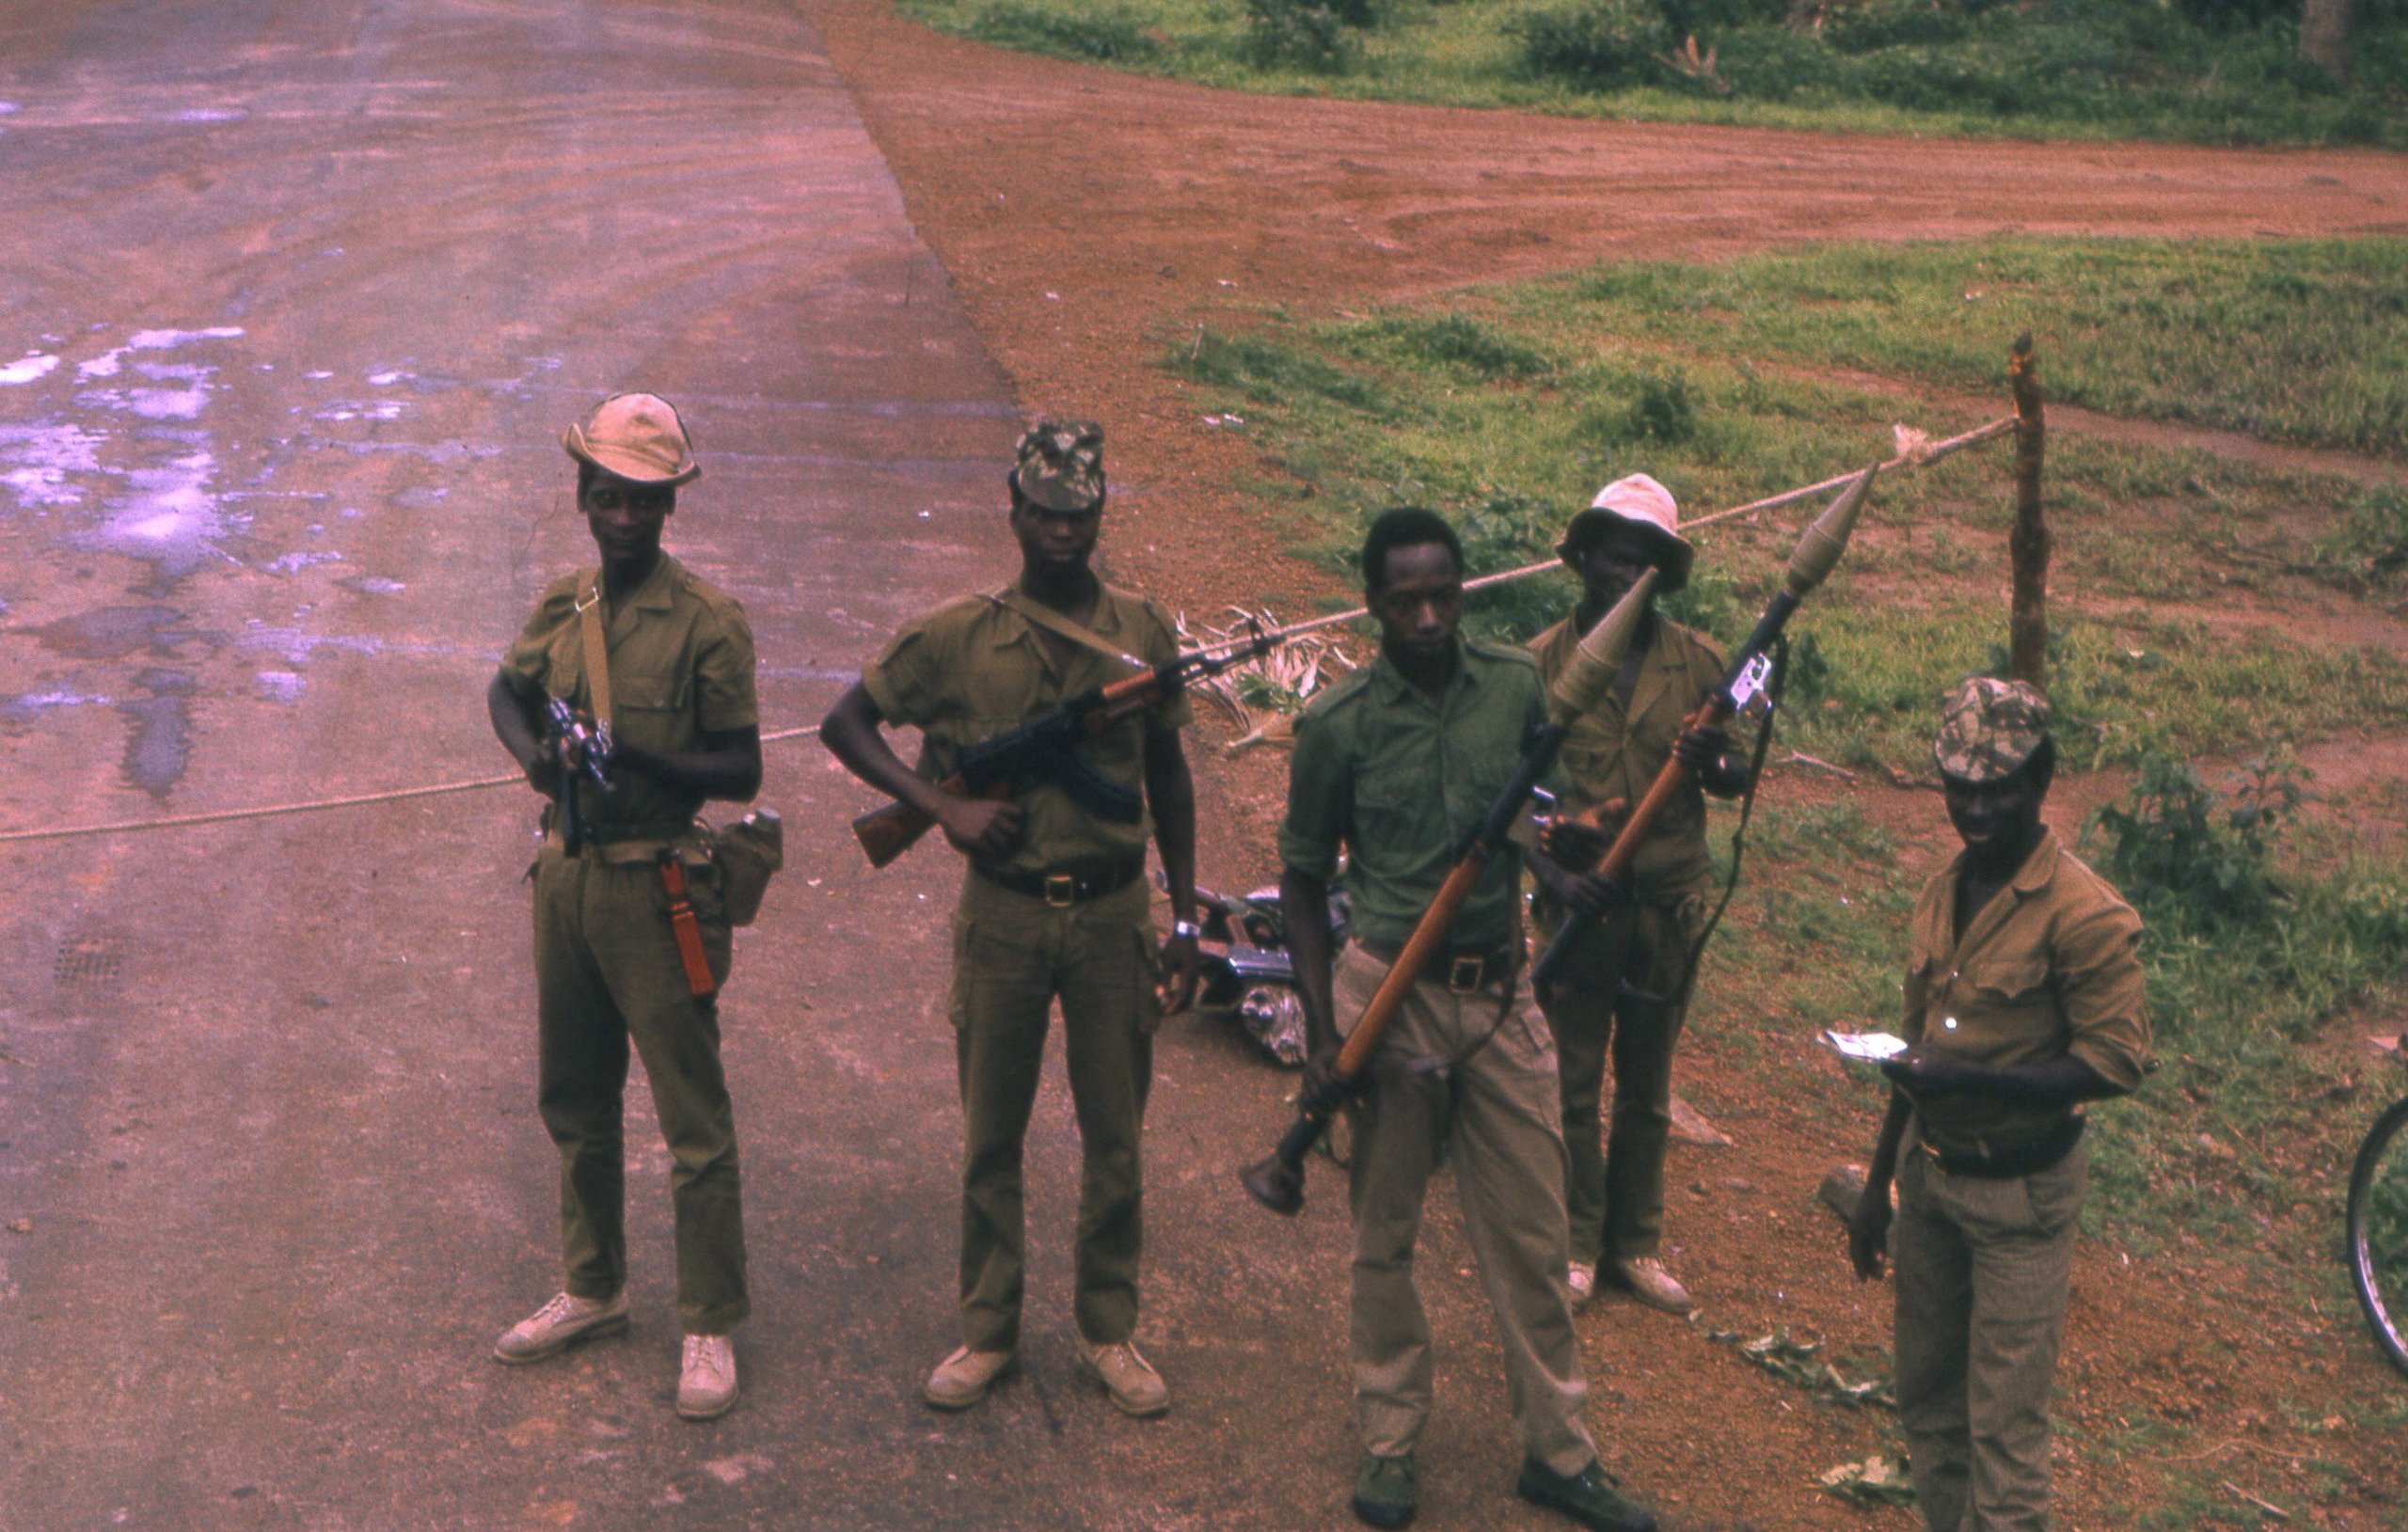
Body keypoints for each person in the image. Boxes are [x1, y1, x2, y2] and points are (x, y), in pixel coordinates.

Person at [1281, 506, 1657, 1532]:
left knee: (1532, 1238)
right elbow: (1303, 885)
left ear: (1463, 589)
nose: (1428, 616)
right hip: (1386, 999)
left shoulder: (1514, 688)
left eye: (1444, 593)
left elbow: (1543, 811)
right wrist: (1322, 1038)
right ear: (1374, 605)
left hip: (1500, 997)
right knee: (1383, 1234)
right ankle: (1391, 1443)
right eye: (1405, 600)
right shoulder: (1338, 725)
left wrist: (1562, 852)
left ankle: (1559, 1454)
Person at [819, 419, 1199, 1418]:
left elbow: (1169, 772)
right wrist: (941, 806)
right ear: (1013, 508)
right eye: (1042, 510)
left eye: (1078, 512)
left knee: (1116, 1136)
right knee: (993, 1134)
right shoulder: (954, 635)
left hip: (1114, 912)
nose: (1061, 530)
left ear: (1099, 510)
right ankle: (987, 1331)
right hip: (1005, 920)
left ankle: (1107, 1330)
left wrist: (1189, 913)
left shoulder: (1142, 631)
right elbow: (845, 722)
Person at [485, 392, 763, 1421]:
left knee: (692, 1112)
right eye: (609, 498)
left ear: (668, 509)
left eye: (645, 502)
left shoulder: (707, 622)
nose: (626, 519)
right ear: (582, 496)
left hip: (659, 890)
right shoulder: (565, 607)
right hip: (566, 879)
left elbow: (739, 768)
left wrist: (639, 756)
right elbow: (505, 693)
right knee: (574, 1096)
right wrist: (534, 763)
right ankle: (594, 1286)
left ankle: (708, 1320)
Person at [1846, 677, 2150, 1532]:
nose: (1976, 807)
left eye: (1998, 787)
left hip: (2021, 1198)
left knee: (2005, 1436)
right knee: (1929, 1402)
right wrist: (1878, 1188)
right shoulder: (1945, 887)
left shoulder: (2085, 915)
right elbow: (1914, 1058)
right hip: (1931, 1177)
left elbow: (2116, 1061)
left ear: (2042, 778)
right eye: (1959, 787)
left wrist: (1974, 1081)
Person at [1528, 474, 1751, 1316]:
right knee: (1574, 1082)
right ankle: (1577, 1241)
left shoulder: (1696, 664)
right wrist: (1556, 869)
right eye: (1616, 556)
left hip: (1667, 902)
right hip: (1582, 909)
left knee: (1649, 1086)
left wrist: (1715, 762)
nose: (1629, 575)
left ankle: (1636, 1242)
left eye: (1647, 562)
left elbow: (1734, 770)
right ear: (1584, 559)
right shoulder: (1542, 665)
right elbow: (1521, 797)